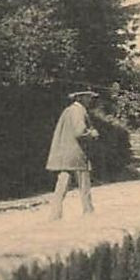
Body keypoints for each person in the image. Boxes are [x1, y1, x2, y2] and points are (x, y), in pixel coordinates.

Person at [47, 90, 100, 219]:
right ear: (80, 98)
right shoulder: (78, 111)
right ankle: (88, 212)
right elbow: (79, 132)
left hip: (65, 153)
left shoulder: (68, 110)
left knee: (62, 185)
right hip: (77, 153)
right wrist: (92, 134)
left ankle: (55, 215)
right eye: (88, 97)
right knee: (84, 184)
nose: (90, 100)